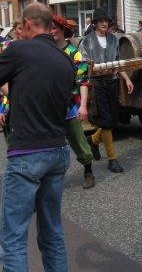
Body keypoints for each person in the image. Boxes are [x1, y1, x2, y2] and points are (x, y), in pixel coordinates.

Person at [0, 3, 76, 272]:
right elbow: (34, 91)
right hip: (57, 151)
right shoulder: (65, 59)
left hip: (27, 152)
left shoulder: (17, 50)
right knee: (52, 234)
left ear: (27, 24)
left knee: (13, 238)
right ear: (51, 26)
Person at [80, 7, 134, 174]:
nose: (104, 23)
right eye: (101, 21)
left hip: (112, 83)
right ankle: (112, 159)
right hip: (97, 85)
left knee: (112, 119)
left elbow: (117, 62)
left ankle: (94, 141)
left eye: (106, 21)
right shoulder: (87, 41)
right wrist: (97, 70)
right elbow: (83, 67)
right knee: (106, 121)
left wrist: (126, 78)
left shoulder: (113, 40)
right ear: (95, 23)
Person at [52, 15, 97, 189]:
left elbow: (83, 81)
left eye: (55, 27)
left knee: (78, 140)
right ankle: (51, 177)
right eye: (49, 27)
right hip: (49, 108)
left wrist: (83, 106)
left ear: (63, 30)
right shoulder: (45, 51)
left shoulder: (74, 54)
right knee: (50, 144)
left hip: (69, 107)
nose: (51, 31)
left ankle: (88, 171)